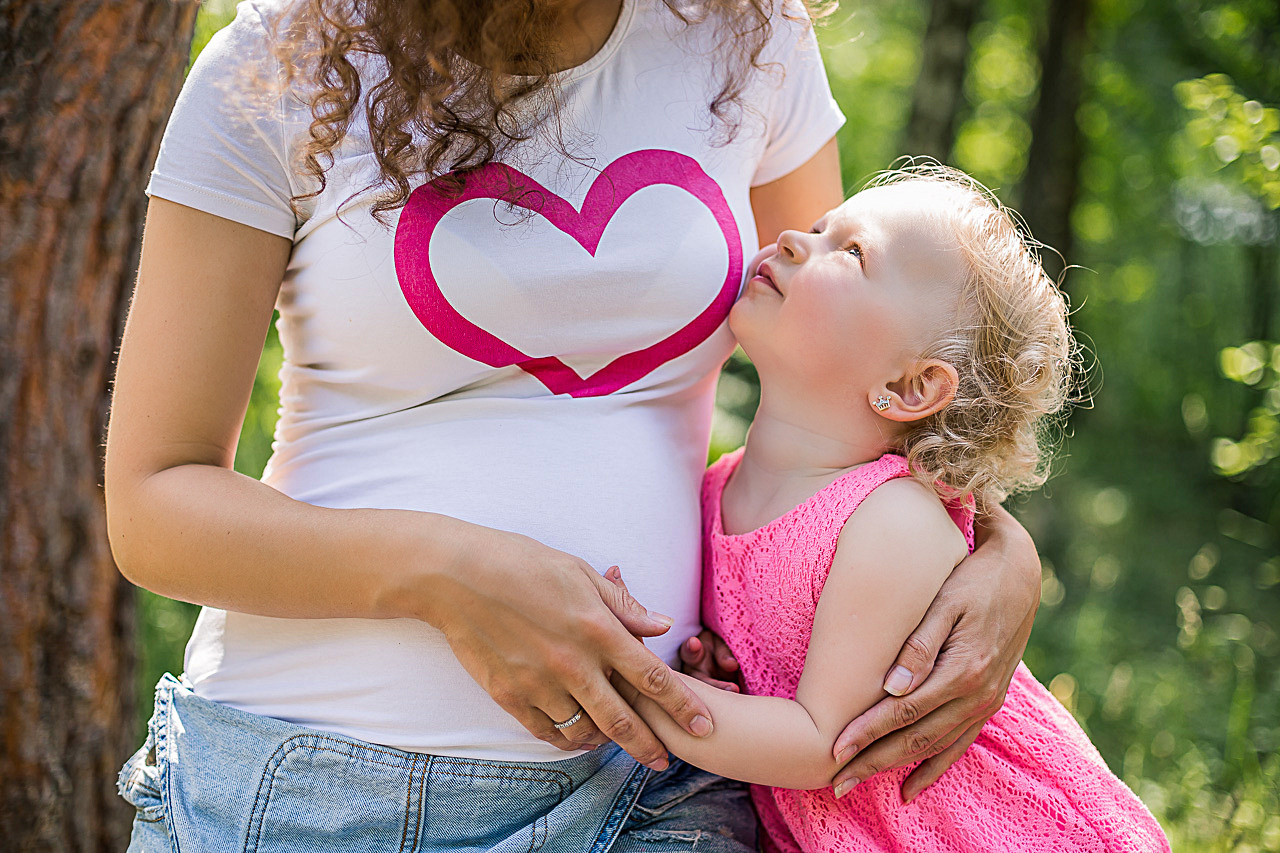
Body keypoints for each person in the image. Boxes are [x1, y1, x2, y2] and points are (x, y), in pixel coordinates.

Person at [105, 0, 1044, 848]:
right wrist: (448, 575)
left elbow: (861, 394)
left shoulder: (746, 35)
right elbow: (153, 507)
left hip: (661, 791)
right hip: (314, 787)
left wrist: (998, 549)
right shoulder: (278, 66)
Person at [616, 165, 1170, 852]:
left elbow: (823, 742)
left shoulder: (891, 520)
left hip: (989, 831)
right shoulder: (717, 486)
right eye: (819, 229)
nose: (790, 237)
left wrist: (633, 683)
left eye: (851, 252)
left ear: (909, 386)